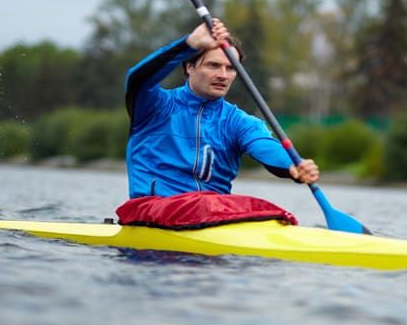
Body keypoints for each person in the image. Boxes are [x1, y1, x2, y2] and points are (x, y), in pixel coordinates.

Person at [124, 18, 320, 198]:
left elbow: (265, 146)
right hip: (152, 210)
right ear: (189, 67)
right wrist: (188, 44)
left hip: (213, 215)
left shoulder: (238, 122)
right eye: (213, 65)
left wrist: (293, 165)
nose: (223, 75)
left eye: (231, 68)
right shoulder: (155, 106)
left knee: (269, 212)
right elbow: (138, 79)